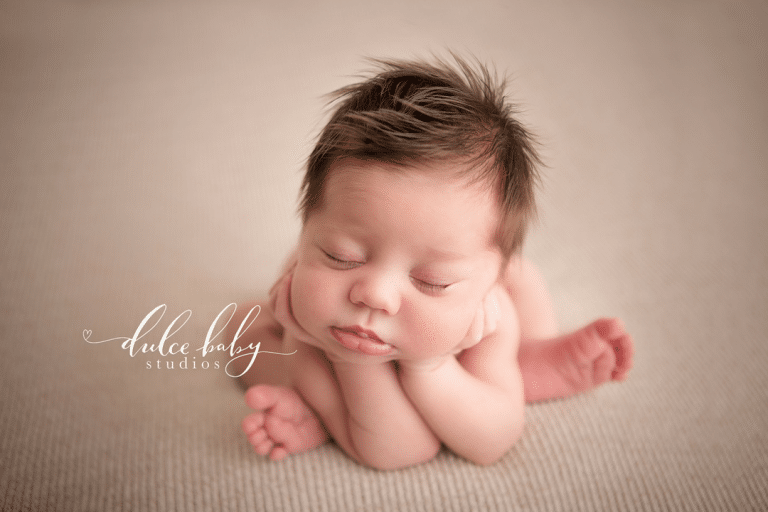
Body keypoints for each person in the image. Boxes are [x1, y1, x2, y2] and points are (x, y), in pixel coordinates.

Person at [231, 55, 633, 470]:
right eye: (341, 257)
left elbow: (489, 442)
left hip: (468, 342)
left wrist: (431, 367)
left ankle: (529, 360)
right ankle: (323, 413)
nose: (375, 294)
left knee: (524, 278)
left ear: (484, 289)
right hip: (324, 341)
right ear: (307, 226)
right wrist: (343, 358)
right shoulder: (308, 309)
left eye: (432, 281)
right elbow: (399, 448)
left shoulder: (488, 319)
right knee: (242, 325)